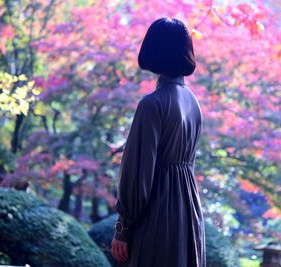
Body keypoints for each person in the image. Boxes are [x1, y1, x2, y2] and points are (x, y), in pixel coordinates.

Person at [110, 17, 206, 267]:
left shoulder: (152, 104)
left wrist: (123, 228)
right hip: (188, 213)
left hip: (156, 213)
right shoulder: (193, 103)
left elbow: (138, 172)